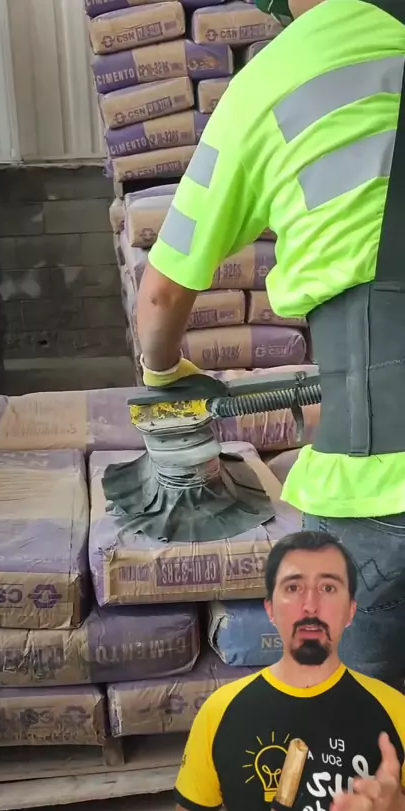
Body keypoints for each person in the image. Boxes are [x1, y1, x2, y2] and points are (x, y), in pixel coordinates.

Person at [135, 0, 405, 688]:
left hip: (376, 491)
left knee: (364, 731)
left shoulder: (279, 76)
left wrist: (164, 374)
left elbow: (162, 295)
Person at [169, 530, 405, 811]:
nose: (311, 606)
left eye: (328, 588)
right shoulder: (221, 711)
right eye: (293, 588)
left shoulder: (394, 711)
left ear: (351, 611)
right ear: (270, 609)